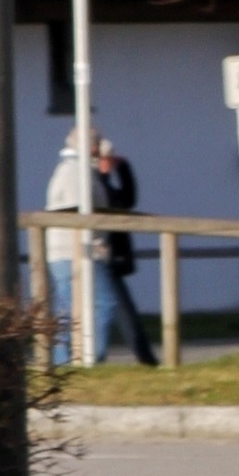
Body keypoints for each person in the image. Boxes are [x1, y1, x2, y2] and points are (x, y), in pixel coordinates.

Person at [44, 126, 128, 365]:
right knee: (103, 303)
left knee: (68, 310)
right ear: (92, 147)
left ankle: (63, 362)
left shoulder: (73, 170)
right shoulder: (77, 174)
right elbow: (79, 214)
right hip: (77, 251)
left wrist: (109, 170)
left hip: (62, 252)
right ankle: (89, 359)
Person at [95, 136, 158, 364]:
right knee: (120, 309)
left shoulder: (104, 183)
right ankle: (145, 359)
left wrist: (123, 168)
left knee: (120, 309)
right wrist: (104, 171)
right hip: (104, 255)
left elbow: (128, 199)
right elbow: (108, 202)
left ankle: (145, 358)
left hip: (112, 256)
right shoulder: (94, 183)